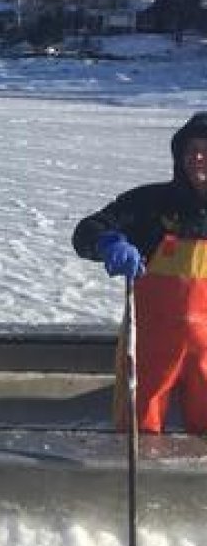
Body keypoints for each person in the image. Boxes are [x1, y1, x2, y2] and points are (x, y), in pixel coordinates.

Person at [72, 111, 207, 434]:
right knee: (139, 430)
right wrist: (108, 242)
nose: (198, 158)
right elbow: (86, 231)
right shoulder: (150, 203)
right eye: (191, 150)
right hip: (150, 345)